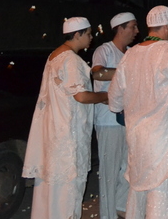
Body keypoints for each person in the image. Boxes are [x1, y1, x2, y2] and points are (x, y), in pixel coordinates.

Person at [108, 6, 168, 219]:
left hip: (137, 140)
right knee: (162, 200)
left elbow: (114, 101)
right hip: (164, 141)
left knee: (137, 198)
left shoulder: (130, 55)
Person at [23, 17, 108, 219]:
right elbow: (81, 96)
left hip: (53, 133)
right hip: (68, 135)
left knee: (49, 193)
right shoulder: (71, 60)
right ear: (77, 34)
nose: (91, 38)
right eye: (88, 34)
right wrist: (106, 96)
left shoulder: (54, 55)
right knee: (67, 193)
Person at [91, 12, 138, 219]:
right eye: (133, 27)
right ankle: (107, 215)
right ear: (120, 29)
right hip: (108, 120)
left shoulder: (132, 53)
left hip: (129, 118)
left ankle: (121, 206)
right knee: (109, 171)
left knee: (129, 166)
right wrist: (126, 71)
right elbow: (98, 73)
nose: (136, 31)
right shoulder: (104, 50)